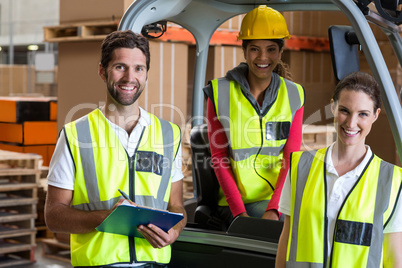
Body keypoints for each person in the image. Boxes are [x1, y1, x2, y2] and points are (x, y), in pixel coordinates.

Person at [45, 30, 187, 268]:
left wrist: (174, 230)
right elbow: (54, 217)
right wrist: (106, 218)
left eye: (139, 68)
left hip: (155, 264)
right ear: (102, 71)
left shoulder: (169, 134)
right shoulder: (75, 135)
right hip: (99, 264)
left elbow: (177, 206)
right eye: (120, 67)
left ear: (146, 74)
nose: (129, 77)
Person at [276, 71, 402, 267]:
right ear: (333, 107)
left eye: (363, 114)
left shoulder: (391, 180)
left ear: (375, 116)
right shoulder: (300, 167)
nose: (351, 123)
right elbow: (287, 238)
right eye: (344, 110)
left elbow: (393, 257)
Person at [203, 5, 305, 226]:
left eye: (271, 49)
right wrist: (240, 214)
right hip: (234, 203)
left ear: (280, 52)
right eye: (254, 49)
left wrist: (275, 208)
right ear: (245, 51)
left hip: (275, 199)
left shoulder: (294, 95)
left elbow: (290, 160)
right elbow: (219, 159)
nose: (263, 57)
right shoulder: (219, 93)